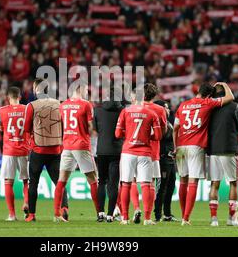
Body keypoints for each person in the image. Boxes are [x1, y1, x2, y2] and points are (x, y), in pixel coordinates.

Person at [174, 82, 234, 226]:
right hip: (196, 145)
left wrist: (175, 146)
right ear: (208, 95)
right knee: (193, 181)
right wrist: (224, 85)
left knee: (183, 180)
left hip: (181, 145)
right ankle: (186, 218)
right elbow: (230, 97)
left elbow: (175, 127)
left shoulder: (183, 105)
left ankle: (183, 215)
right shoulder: (207, 103)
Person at [23, 78, 68, 222]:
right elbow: (64, 126)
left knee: (33, 183)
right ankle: (64, 208)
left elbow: (26, 129)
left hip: (38, 150)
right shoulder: (58, 104)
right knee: (59, 182)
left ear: (36, 89)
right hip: (56, 150)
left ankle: (32, 214)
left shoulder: (31, 105)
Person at [115, 88, 162, 225]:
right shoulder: (151, 113)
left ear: (133, 97)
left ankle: (124, 218)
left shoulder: (125, 111)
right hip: (145, 153)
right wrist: (146, 136)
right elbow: (158, 136)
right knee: (146, 185)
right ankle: (147, 219)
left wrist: (129, 135)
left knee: (126, 184)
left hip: (128, 152)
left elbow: (117, 134)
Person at [54, 82, 98, 222]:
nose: (87, 92)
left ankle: (57, 213)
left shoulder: (63, 105)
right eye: (86, 89)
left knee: (61, 180)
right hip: (81, 145)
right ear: (80, 89)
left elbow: (61, 125)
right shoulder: (86, 104)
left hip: (67, 146)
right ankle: (99, 212)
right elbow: (90, 127)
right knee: (93, 180)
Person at [207, 84, 238, 227]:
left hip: (213, 150)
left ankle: (214, 219)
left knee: (214, 184)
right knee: (233, 183)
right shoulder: (234, 106)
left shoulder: (209, 107)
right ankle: (232, 219)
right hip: (229, 148)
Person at [93, 85, 124, 222]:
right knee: (113, 183)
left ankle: (100, 213)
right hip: (117, 150)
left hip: (101, 150)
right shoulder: (123, 111)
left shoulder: (98, 110)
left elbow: (96, 130)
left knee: (102, 182)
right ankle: (110, 215)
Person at [0, 87, 30, 221]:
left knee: (8, 182)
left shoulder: (2, 111)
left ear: (8, 97)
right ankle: (27, 202)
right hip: (24, 150)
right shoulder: (27, 109)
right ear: (20, 96)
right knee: (26, 181)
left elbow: (1, 128)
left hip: (9, 151)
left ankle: (12, 214)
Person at [138, 83, 167, 224]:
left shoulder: (133, 107)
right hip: (152, 151)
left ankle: (129, 213)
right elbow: (162, 132)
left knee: (130, 182)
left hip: (132, 149)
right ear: (154, 95)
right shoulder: (160, 110)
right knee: (152, 183)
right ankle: (147, 216)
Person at [153, 100, 178, 223]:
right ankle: (157, 214)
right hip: (163, 159)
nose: (168, 110)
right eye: (166, 108)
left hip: (171, 159)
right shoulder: (157, 123)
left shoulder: (167, 122)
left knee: (171, 187)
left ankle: (167, 214)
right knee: (162, 187)